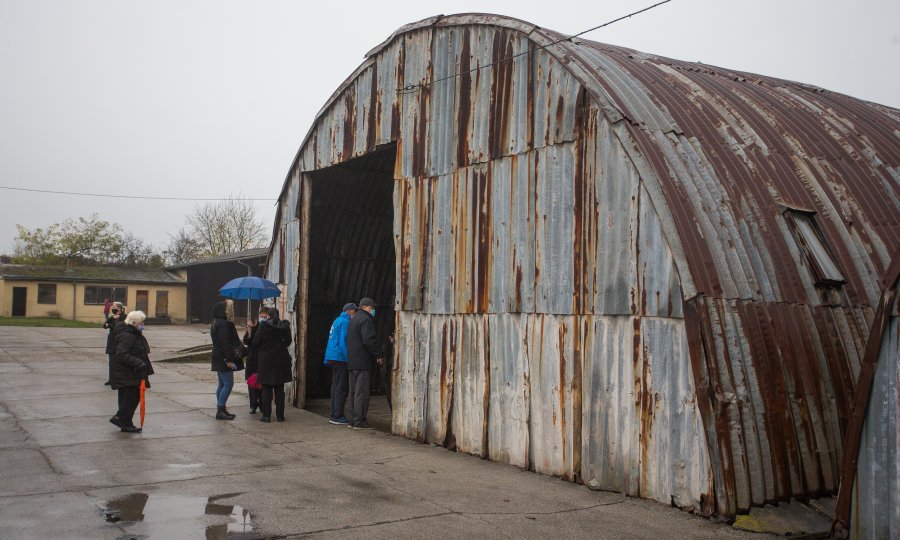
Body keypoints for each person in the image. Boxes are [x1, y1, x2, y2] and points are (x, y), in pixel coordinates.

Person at [109, 310, 153, 433]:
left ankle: (126, 422)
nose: (143, 325)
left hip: (132, 373)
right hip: (128, 374)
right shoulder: (127, 335)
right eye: (141, 322)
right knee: (130, 399)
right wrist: (138, 363)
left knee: (130, 399)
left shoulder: (134, 334)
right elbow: (121, 354)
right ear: (134, 323)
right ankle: (120, 418)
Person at [345, 297, 382, 430]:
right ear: (366, 307)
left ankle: (352, 420)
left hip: (352, 361)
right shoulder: (366, 320)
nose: (373, 310)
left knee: (353, 391)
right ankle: (359, 421)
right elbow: (368, 340)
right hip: (363, 361)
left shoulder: (353, 319)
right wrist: (378, 354)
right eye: (372, 308)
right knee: (361, 392)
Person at [254, 307, 292, 423]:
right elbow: (288, 341)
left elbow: (256, 342)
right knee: (279, 388)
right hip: (281, 360)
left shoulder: (263, 326)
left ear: (268, 316)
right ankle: (280, 416)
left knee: (266, 388)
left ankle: (266, 416)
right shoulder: (284, 326)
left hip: (266, 361)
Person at [323, 303, 357, 425]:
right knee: (341, 387)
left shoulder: (337, 320)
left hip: (332, 356)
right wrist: (349, 359)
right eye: (354, 311)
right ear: (349, 311)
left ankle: (334, 414)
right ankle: (337, 416)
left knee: (335, 386)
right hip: (339, 358)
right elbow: (343, 342)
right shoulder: (345, 322)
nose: (355, 314)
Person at [210, 299, 242, 420]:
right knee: (228, 384)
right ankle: (220, 409)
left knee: (222, 384)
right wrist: (228, 359)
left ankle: (222, 409)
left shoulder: (215, 322)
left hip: (218, 356)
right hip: (223, 357)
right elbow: (225, 344)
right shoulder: (223, 324)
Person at [243, 305, 271, 414]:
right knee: (251, 382)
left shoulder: (269, 327)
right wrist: (249, 329)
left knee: (262, 384)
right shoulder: (254, 326)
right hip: (252, 359)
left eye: (265, 316)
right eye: (261, 316)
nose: (263, 318)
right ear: (258, 316)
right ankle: (253, 405)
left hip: (263, 359)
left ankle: (262, 405)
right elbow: (246, 341)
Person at [103, 302, 126, 367]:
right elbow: (104, 325)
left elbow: (118, 327)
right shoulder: (113, 317)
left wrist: (109, 325)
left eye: (114, 307)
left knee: (119, 363)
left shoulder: (124, 317)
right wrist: (112, 318)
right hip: (111, 343)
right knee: (112, 363)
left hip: (119, 342)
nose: (112, 309)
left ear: (119, 308)